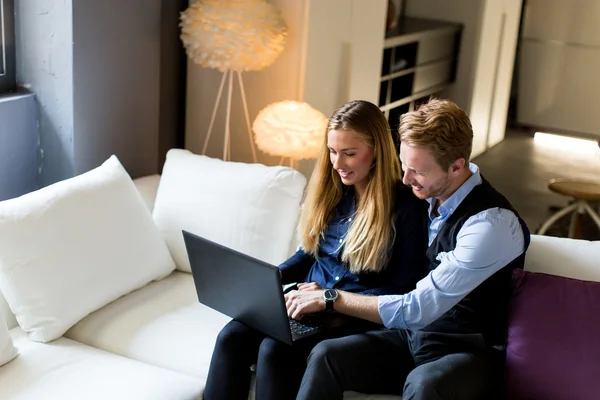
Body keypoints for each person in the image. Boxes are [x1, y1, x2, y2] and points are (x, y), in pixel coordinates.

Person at [288, 98, 531, 400]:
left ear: (457, 166)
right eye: (404, 165)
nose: (404, 179)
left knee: (424, 383)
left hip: (467, 351)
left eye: (418, 171)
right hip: (411, 339)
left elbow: (417, 309)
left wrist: (329, 297)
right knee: (326, 354)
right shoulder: (426, 198)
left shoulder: (490, 225)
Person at [202, 100, 428, 400]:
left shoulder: (407, 208)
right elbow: (310, 253)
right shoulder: (334, 193)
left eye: (349, 153)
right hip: (305, 300)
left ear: (377, 151)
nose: (337, 163)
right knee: (231, 337)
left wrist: (327, 299)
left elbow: (402, 291)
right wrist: (274, 276)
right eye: (332, 151)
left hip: (348, 313)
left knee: (275, 350)